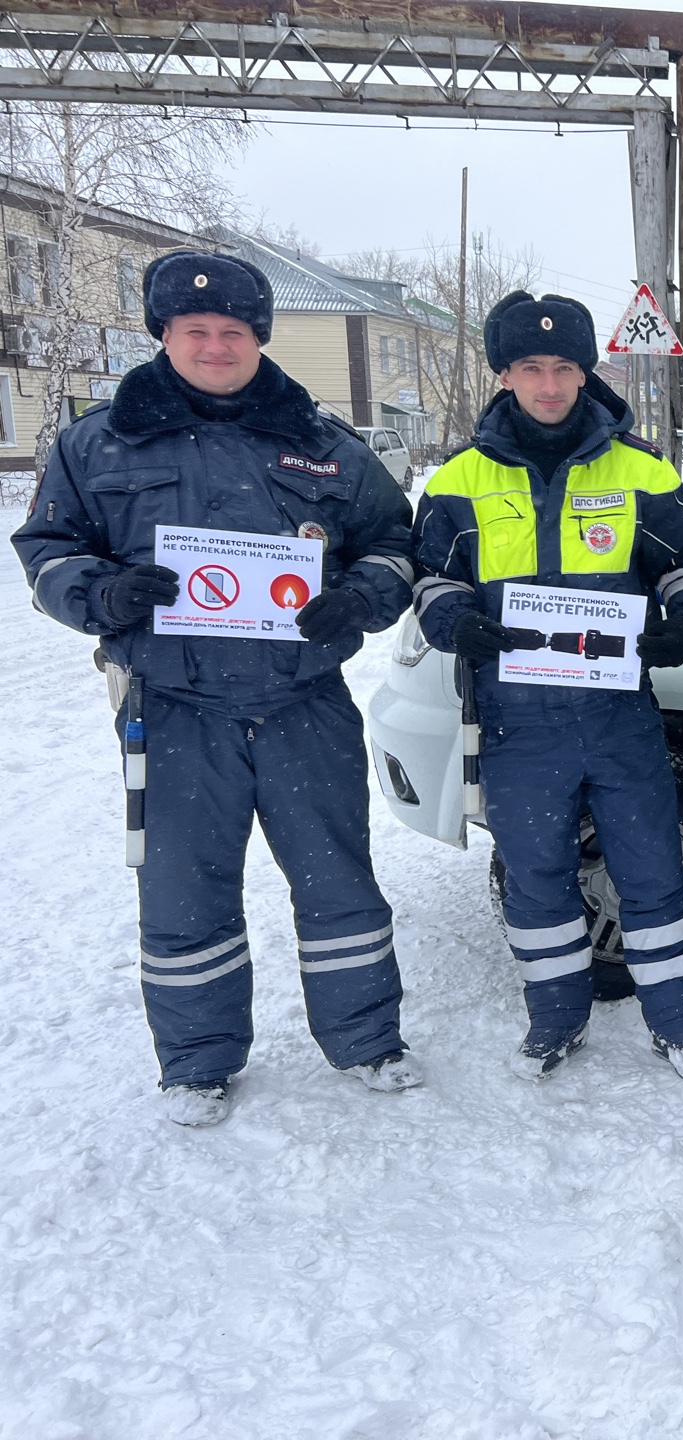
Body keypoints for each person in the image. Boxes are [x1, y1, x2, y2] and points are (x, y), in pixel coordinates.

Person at [12, 250, 420, 1126]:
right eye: (195, 330)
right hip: (173, 707)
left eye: (233, 330)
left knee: (339, 881)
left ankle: (367, 1039)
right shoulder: (99, 443)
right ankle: (197, 1062)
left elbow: (394, 544)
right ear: (164, 335)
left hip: (302, 701)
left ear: (259, 339)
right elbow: (47, 550)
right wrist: (102, 595)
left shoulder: (323, 443)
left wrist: (358, 598)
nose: (215, 345)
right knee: (184, 888)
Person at [411, 291, 683, 1081]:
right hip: (518, 721)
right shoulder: (459, 480)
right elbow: (429, 578)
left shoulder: (640, 469)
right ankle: (555, 1022)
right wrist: (455, 622)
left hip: (617, 712)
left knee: (653, 870)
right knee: (537, 877)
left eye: (564, 368)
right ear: (506, 373)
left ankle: (680, 1026)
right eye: (530, 368)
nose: (549, 386)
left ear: (586, 372)